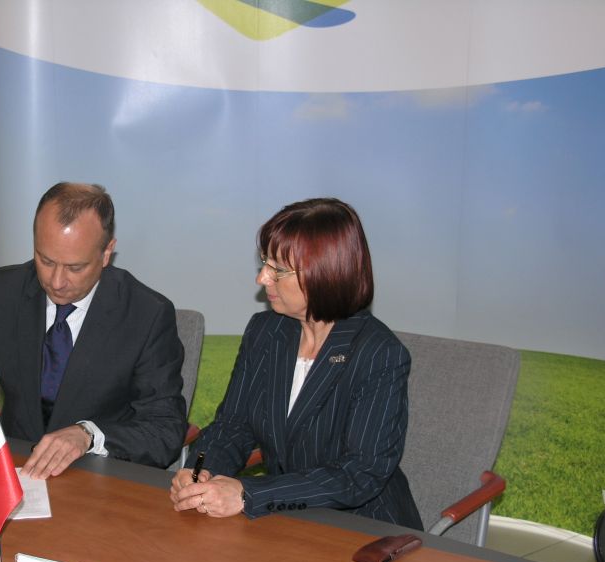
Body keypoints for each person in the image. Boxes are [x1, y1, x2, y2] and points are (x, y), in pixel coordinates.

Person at [170, 197, 422, 529]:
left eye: (277, 269)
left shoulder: (379, 353)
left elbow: (359, 475)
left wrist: (248, 493)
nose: (262, 278)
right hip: (285, 520)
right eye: (264, 263)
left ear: (324, 273)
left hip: (362, 529)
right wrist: (201, 470)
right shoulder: (266, 330)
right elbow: (232, 426)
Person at [0, 181, 187, 479]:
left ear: (106, 253)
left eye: (75, 268)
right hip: (17, 469)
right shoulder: (0, 292)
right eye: (45, 260)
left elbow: (164, 429)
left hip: (100, 477)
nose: (57, 282)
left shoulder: (147, 314)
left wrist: (88, 435)